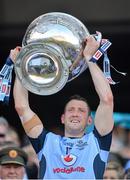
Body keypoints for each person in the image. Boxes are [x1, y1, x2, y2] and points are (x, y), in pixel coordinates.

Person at [12, 32, 114, 179]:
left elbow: (107, 99)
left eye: (81, 111)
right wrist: (20, 66)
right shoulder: (46, 142)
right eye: (71, 110)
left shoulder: (97, 142)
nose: (75, 113)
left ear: (90, 120)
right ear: (62, 118)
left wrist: (90, 58)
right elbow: (22, 107)